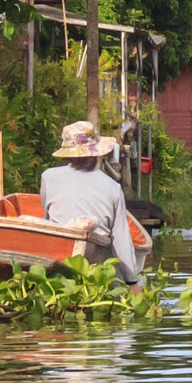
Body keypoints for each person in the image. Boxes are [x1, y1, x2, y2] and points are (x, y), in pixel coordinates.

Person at [39, 120, 142, 284]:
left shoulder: (48, 177)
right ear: (96, 154)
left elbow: (45, 219)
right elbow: (121, 240)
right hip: (95, 265)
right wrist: (132, 281)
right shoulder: (112, 187)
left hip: (57, 258)